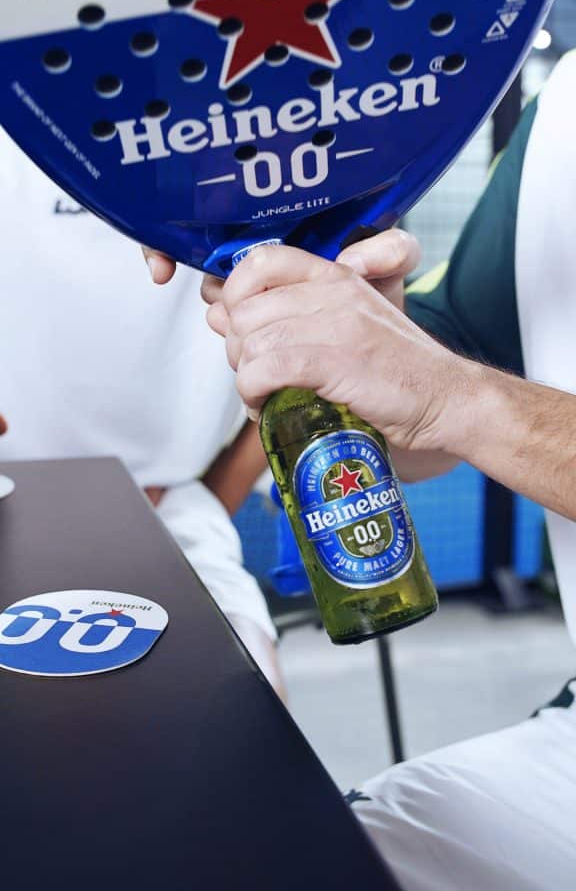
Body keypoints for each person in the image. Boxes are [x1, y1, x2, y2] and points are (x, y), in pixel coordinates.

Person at [189, 51, 576, 889]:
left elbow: (462, 399)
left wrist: (455, 397)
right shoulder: (564, 110)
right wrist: (362, 348)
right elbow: (433, 420)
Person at [0, 125, 284, 699]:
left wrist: (214, 498)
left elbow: (303, 359)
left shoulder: (260, 132)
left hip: (171, 508)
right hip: (5, 495)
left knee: (248, 712)